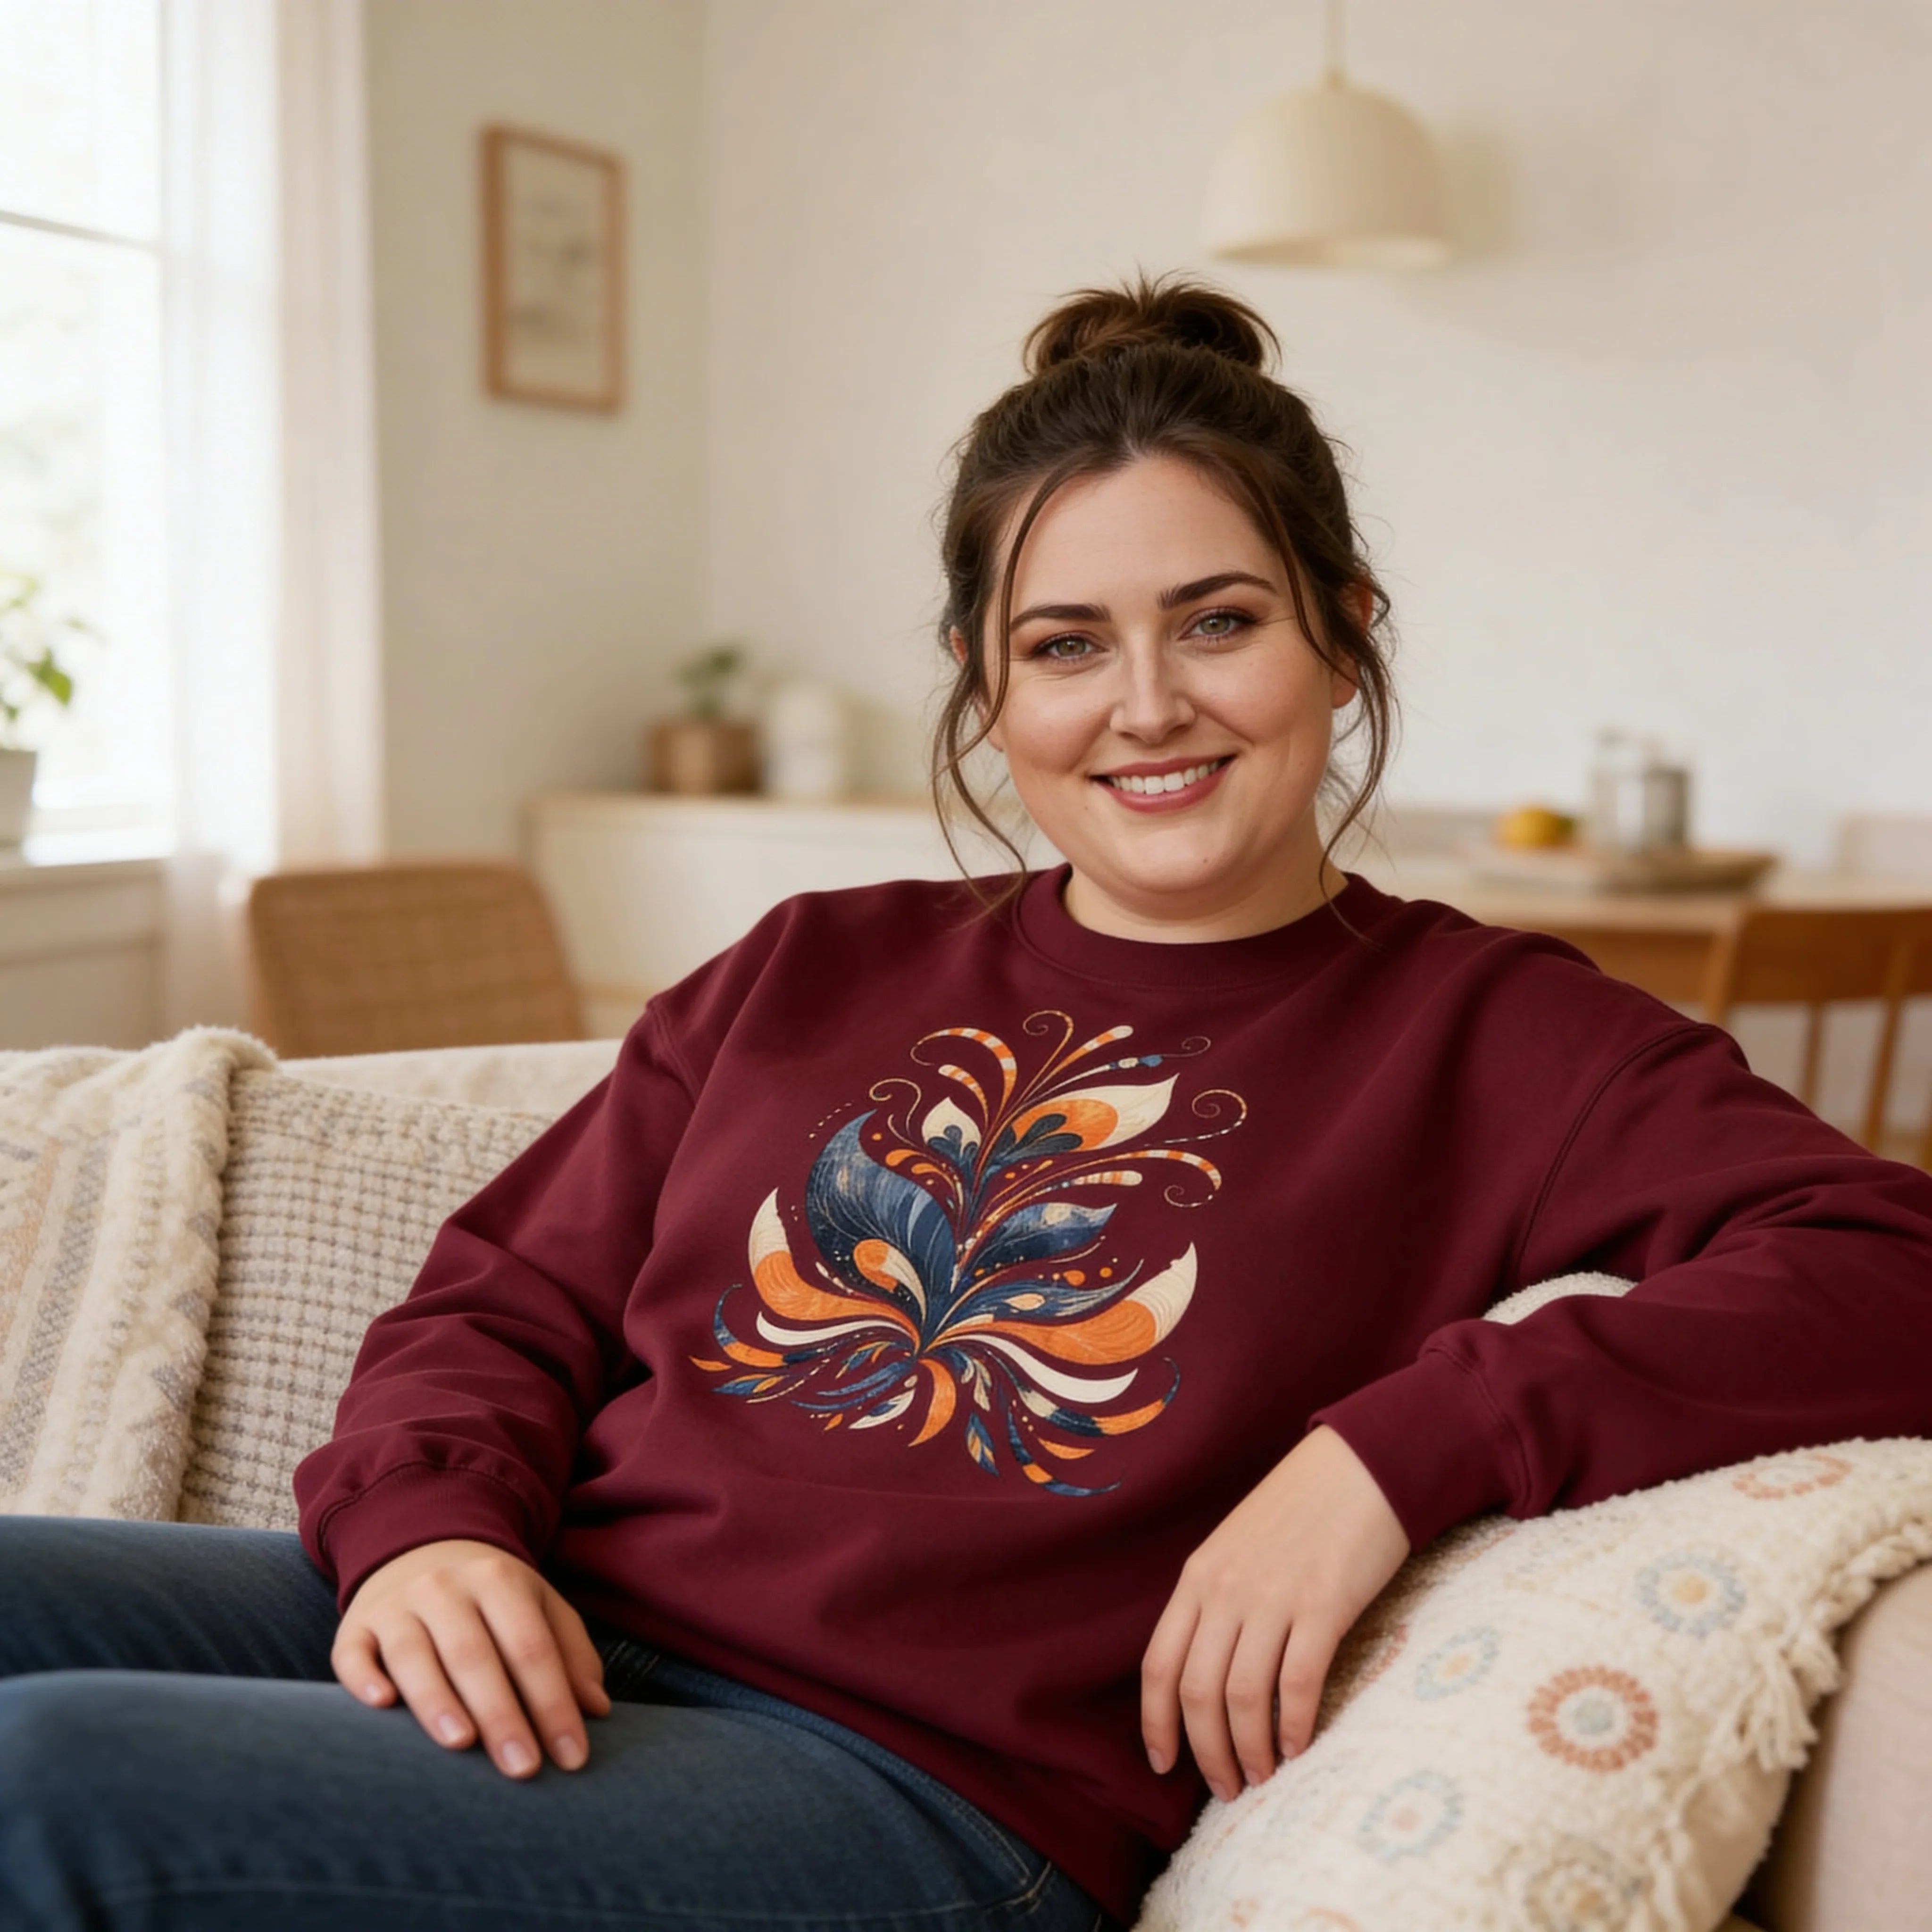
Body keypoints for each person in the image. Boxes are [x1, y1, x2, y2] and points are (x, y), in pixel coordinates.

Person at [4, 276, 1932, 1932]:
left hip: (917, 1789)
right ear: (983, 684)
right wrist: (433, 1529)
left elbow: (1885, 1262)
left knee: (51, 1781)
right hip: (571, 1629)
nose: (1147, 705)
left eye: (1220, 620)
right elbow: (497, 1303)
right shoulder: (808, 963)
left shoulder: (1495, 1030)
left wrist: (1389, 1451)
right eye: (1066, 644)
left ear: (1342, 629)